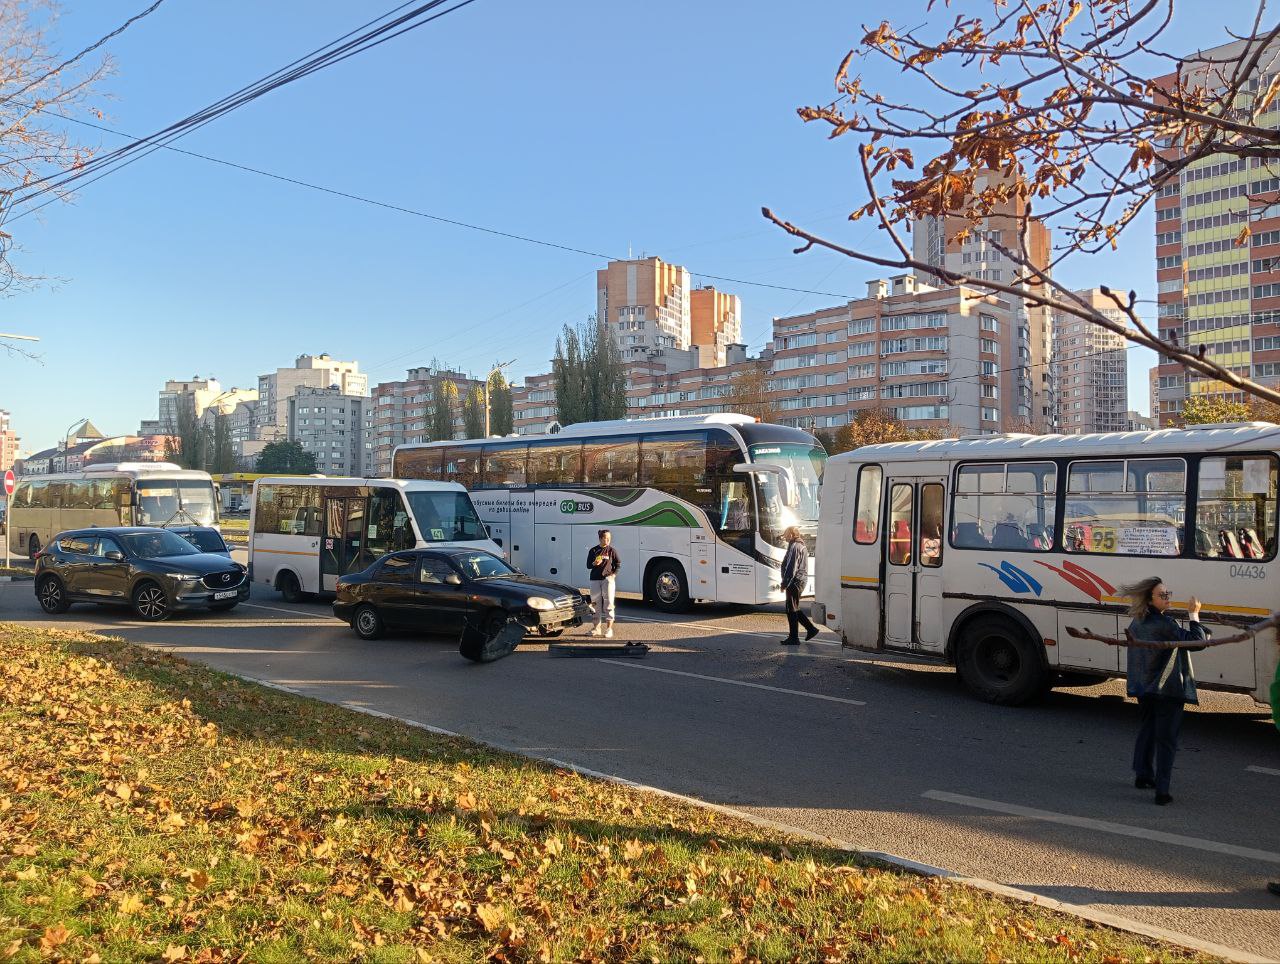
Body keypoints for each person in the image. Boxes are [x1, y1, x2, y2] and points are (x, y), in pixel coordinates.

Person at [1120, 577, 1208, 805]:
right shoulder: (1164, 624)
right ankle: (1162, 791)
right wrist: (1194, 615)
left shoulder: (1137, 622)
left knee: (1148, 729)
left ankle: (1143, 775)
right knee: (1166, 740)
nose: (1168, 598)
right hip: (1166, 690)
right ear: (1150, 599)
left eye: (1169, 593)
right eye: (1163, 595)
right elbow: (1197, 642)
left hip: (1144, 688)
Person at [779, 526, 818, 646]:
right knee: (794, 607)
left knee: (790, 609)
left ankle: (794, 638)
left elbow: (791, 567)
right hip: (799, 580)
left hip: (795, 581)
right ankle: (811, 629)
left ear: (791, 534)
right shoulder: (800, 545)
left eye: (785, 534)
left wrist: (785, 583)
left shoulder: (795, 546)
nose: (784, 537)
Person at [586, 528, 621, 638]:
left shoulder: (612, 551)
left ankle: (609, 629)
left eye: (609, 538)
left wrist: (613, 575)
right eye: (605, 538)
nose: (608, 540)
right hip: (595, 579)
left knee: (609, 603)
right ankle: (596, 628)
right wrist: (594, 563)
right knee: (595, 604)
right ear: (600, 538)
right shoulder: (593, 550)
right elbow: (588, 566)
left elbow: (618, 564)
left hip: (607, 579)